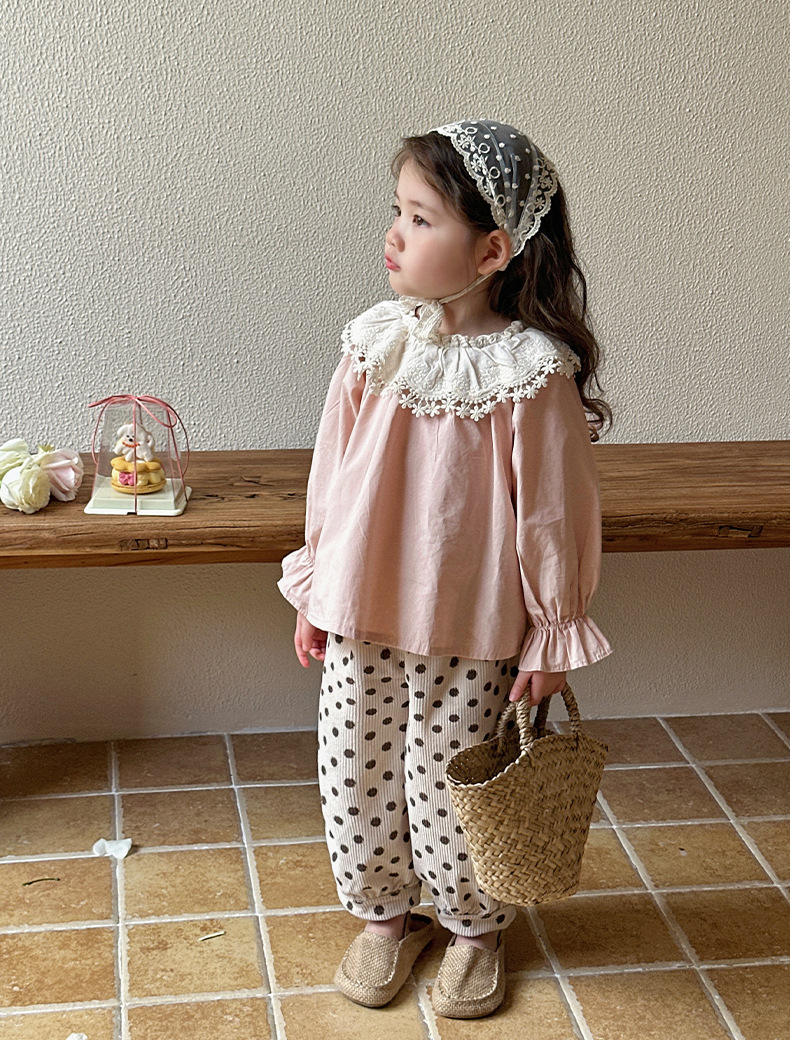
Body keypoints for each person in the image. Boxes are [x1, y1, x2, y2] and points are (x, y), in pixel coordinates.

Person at [278, 119, 612, 1019]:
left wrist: (552, 630)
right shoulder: (374, 342)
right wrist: (316, 586)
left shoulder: (530, 374)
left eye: (420, 219)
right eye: (398, 211)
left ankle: (473, 928)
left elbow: (553, 513)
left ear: (492, 250)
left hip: (474, 628)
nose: (394, 233)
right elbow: (332, 476)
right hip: (361, 612)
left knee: (454, 784)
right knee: (355, 772)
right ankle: (386, 916)